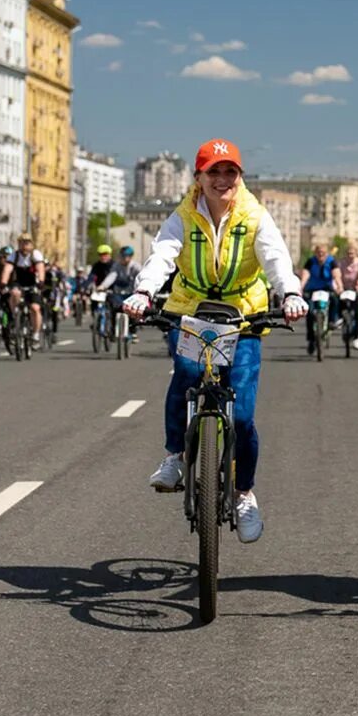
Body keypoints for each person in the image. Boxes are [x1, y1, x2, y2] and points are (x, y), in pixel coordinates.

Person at [122, 138, 306, 544]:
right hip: (192, 311)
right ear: (199, 178)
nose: (222, 179)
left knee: (241, 414)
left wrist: (290, 294)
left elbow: (275, 257)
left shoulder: (255, 215)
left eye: (230, 172)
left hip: (243, 316)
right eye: (214, 172)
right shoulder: (183, 216)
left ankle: (244, 495)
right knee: (186, 374)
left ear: (240, 177)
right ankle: (175, 457)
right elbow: (163, 255)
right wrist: (144, 292)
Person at [0, 233, 47, 345]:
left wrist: (40, 282)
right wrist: (3, 283)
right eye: (21, 243)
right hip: (19, 282)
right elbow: (7, 269)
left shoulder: (35, 254)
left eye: (27, 243)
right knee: (14, 293)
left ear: (31, 244)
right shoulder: (14, 255)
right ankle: (15, 315)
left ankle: (35, 333)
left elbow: (41, 269)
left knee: (35, 308)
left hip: (33, 284)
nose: (24, 246)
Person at [300, 242, 343, 356]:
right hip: (312, 289)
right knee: (309, 312)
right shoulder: (310, 262)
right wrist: (300, 288)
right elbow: (305, 275)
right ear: (315, 253)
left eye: (323, 253)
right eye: (318, 253)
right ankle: (310, 339)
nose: (320, 255)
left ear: (327, 253)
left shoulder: (331, 262)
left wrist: (340, 287)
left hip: (326, 288)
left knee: (334, 299)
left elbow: (336, 275)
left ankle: (332, 321)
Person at [97, 246, 141, 341]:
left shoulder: (135, 266)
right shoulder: (117, 266)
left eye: (127, 256)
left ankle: (133, 331)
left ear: (130, 257)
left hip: (132, 293)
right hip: (118, 292)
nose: (124, 259)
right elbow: (112, 276)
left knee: (132, 311)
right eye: (122, 256)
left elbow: (141, 277)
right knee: (114, 309)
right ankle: (113, 330)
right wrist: (103, 286)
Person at [338, 244, 358, 350]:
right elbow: (337, 276)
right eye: (348, 253)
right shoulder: (341, 263)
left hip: (356, 290)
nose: (350, 255)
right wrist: (339, 287)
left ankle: (356, 337)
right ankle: (339, 319)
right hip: (344, 289)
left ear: (356, 253)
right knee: (338, 301)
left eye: (352, 253)